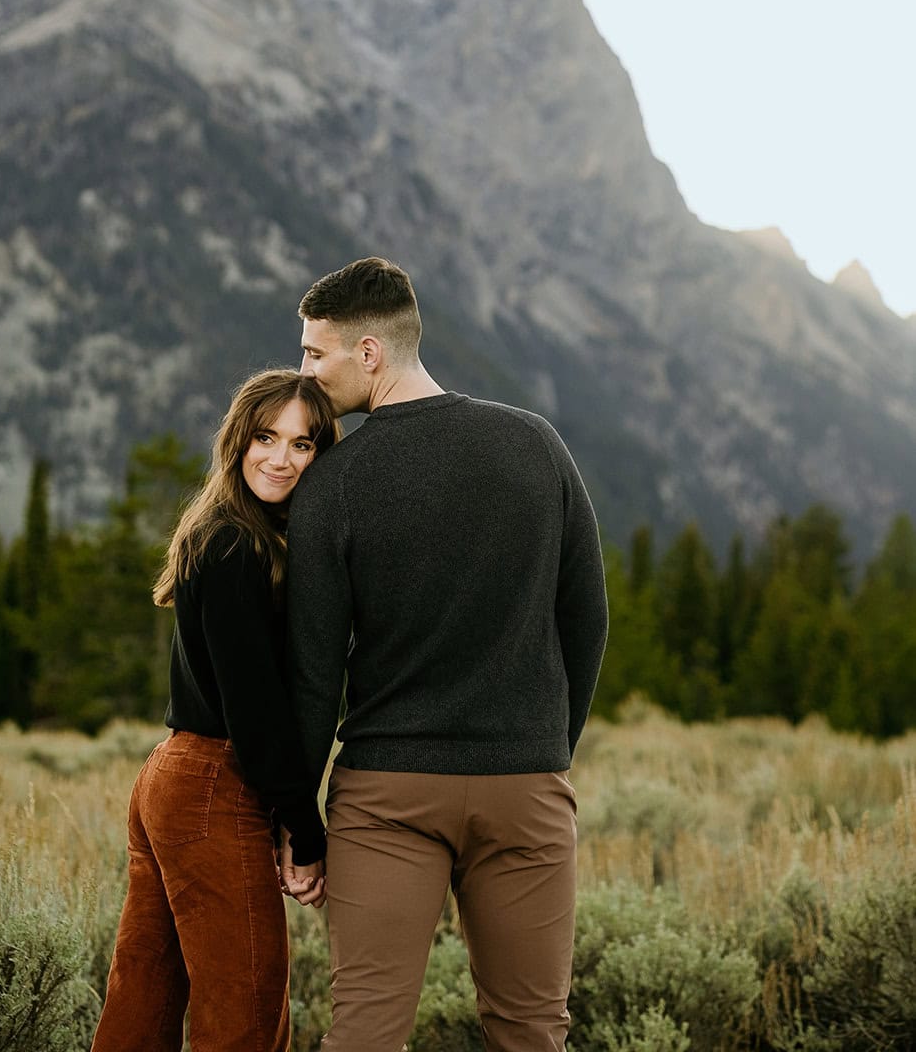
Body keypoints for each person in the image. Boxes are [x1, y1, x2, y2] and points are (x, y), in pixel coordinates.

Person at [283, 257, 608, 1052]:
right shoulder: (535, 444)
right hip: (524, 788)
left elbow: (313, 673)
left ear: (368, 353)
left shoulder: (332, 484)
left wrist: (302, 826)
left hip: (388, 797)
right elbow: (587, 619)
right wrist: (543, 752)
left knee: (364, 1031)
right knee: (532, 1031)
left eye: (313, 354)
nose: (304, 372)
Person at [91, 368, 339, 1052]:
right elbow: (253, 706)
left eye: (303, 443)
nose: (280, 458)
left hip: (174, 779)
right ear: (237, 439)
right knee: (246, 1017)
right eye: (266, 437)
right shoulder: (236, 545)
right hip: (212, 784)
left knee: (142, 997)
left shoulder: (225, 531)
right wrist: (304, 828)